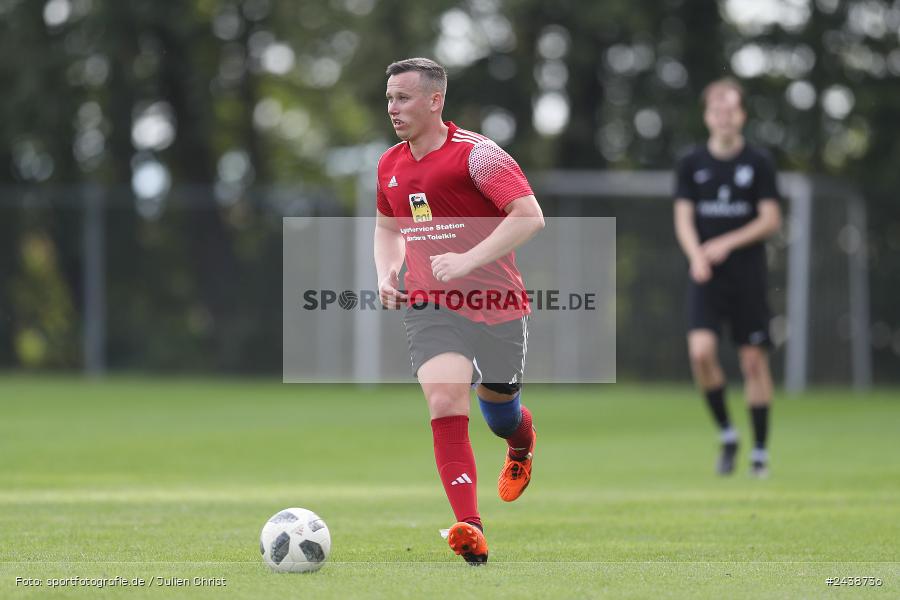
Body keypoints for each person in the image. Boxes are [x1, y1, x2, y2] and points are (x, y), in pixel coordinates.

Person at [373, 58, 544, 565]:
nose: (393, 108)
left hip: (497, 304)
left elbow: (530, 217)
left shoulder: (478, 156)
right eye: (389, 98)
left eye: (403, 98)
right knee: (446, 398)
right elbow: (387, 229)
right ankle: (470, 527)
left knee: (499, 413)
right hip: (430, 306)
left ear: (434, 100)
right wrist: (387, 272)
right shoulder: (389, 164)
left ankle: (520, 442)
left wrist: (468, 259)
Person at [673, 77, 782, 478]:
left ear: (742, 115)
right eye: (717, 110)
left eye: (731, 110)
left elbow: (770, 219)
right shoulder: (691, 163)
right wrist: (696, 255)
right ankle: (728, 433)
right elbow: (683, 219)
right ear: (707, 116)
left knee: (753, 361)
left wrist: (727, 243)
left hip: (748, 276)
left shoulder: (758, 163)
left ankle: (760, 453)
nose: (724, 117)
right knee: (700, 353)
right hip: (706, 276)